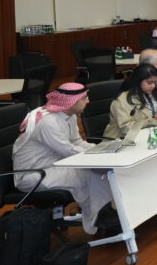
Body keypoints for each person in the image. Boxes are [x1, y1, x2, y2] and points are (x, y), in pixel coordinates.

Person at [12, 83, 114, 235]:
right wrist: (100, 154)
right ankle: (98, 218)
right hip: (33, 175)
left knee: (97, 172)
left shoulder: (68, 116)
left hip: (54, 165)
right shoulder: (48, 122)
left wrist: (102, 149)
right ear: (71, 102)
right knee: (91, 173)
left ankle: (101, 214)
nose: (88, 101)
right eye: (84, 98)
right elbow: (69, 151)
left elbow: (77, 142)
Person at [104, 64, 157, 140]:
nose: (153, 86)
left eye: (155, 82)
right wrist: (152, 121)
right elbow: (126, 128)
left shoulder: (153, 92)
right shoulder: (122, 100)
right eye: (149, 83)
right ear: (138, 81)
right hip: (121, 139)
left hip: (148, 134)